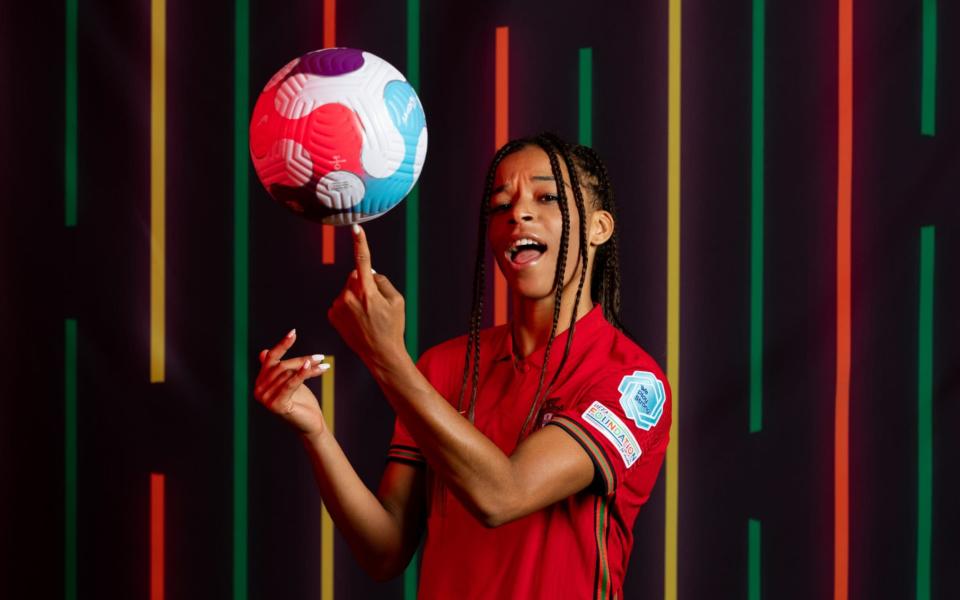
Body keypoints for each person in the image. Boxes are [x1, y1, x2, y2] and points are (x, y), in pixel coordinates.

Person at [253, 133, 671, 599]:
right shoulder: (444, 366)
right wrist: (315, 432)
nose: (518, 213)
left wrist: (387, 357)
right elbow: (384, 552)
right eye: (499, 205)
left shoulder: (631, 381)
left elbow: (503, 496)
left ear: (598, 228)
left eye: (546, 196)